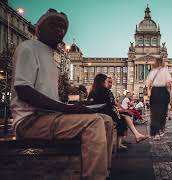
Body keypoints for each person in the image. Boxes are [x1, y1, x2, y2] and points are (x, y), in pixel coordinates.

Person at [10, 9, 113, 180]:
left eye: (63, 26)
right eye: (53, 24)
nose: (59, 29)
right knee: (94, 123)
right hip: (29, 121)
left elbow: (47, 98)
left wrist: (75, 107)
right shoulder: (28, 48)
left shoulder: (49, 56)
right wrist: (66, 109)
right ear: (38, 29)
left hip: (48, 118)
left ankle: (104, 172)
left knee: (106, 120)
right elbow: (23, 90)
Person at [87, 74, 148, 148]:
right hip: (103, 113)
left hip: (107, 111)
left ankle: (125, 140)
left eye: (111, 82)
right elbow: (102, 105)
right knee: (123, 116)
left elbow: (114, 103)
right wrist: (118, 109)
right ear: (102, 82)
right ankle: (129, 138)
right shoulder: (100, 91)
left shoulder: (105, 91)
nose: (109, 84)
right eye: (107, 81)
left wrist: (121, 109)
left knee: (125, 115)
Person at [146, 58, 172, 140]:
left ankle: (156, 133)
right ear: (162, 63)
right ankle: (161, 129)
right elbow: (169, 83)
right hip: (163, 91)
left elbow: (148, 84)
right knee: (163, 112)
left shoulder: (152, 71)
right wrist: (169, 92)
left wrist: (150, 92)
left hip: (155, 91)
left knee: (154, 112)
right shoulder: (165, 70)